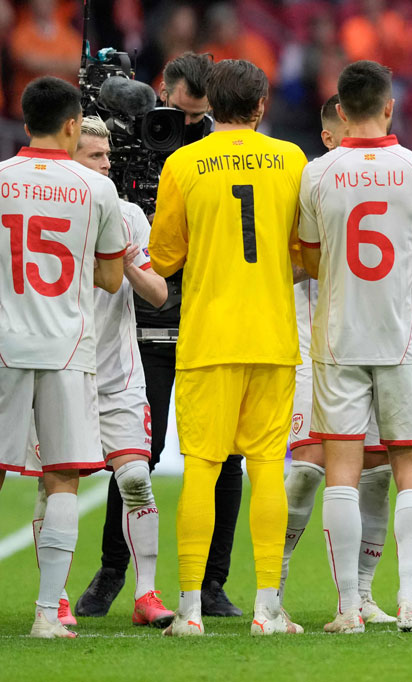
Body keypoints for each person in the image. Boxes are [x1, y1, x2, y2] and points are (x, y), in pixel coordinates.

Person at [0, 76, 127, 639]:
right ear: (74, 125)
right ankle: (49, 615)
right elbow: (108, 276)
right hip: (69, 346)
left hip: (3, 341)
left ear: (24, 122)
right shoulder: (96, 190)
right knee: (63, 477)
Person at [78, 52, 243, 620]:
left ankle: (211, 584)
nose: (188, 127)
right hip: (138, 323)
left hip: (205, 319)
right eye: (178, 113)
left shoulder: (222, 154)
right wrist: (105, 118)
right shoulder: (116, 146)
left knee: (223, 458)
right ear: (159, 94)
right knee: (133, 458)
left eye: (202, 118)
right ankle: (112, 574)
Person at [150, 58, 308, 637]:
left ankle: (188, 609)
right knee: (267, 468)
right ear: (262, 104)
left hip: (207, 337)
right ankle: (267, 607)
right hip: (271, 336)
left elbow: (163, 258)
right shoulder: (291, 160)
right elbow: (306, 251)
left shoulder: (183, 162)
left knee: (201, 468)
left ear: (210, 105)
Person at [298, 60, 412, 634]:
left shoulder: (318, 173)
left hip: (338, 337)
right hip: (403, 337)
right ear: (390, 107)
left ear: (339, 111)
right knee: (410, 462)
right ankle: (411, 601)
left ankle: (348, 610)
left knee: (343, 468)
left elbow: (310, 260)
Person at [24, 115, 174, 629]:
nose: (106, 166)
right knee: (54, 485)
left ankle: (147, 595)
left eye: (108, 157)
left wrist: (127, 258)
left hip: (117, 375)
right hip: (62, 371)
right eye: (95, 157)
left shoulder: (130, 215)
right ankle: (56, 598)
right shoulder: (49, 211)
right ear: (70, 157)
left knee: (136, 478)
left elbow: (158, 294)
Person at [278, 94, 398, 625]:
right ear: (329, 136)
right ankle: (271, 587)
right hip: (311, 344)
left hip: (373, 341)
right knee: (307, 467)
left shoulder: (391, 179)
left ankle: (363, 595)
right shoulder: (308, 184)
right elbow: (290, 264)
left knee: (378, 469)